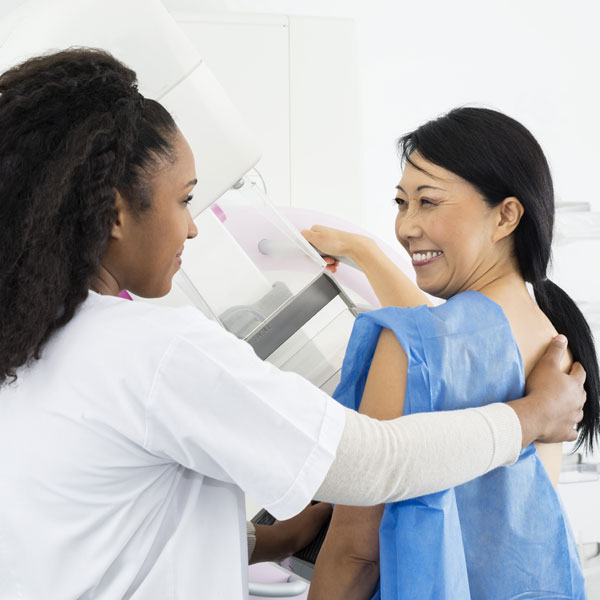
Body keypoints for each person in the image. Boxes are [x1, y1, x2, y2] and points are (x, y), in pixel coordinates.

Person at [0, 50, 586, 599]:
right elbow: (377, 462)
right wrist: (535, 416)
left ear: (507, 214)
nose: (194, 228)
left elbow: (111, 527)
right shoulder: (153, 350)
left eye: (427, 202)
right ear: (114, 213)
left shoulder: (36, 345)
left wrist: (272, 539)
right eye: (185, 201)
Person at [303, 107, 599, 599]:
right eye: (401, 203)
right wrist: (367, 252)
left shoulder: (409, 343)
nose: (407, 226)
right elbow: (447, 342)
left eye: (428, 202)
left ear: (506, 215)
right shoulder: (554, 343)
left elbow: (356, 555)